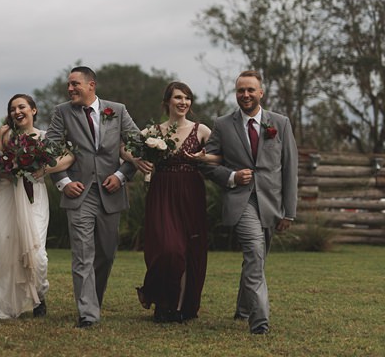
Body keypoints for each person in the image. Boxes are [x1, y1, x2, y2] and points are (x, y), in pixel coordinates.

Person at [200, 70, 298, 334]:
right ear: (236, 93)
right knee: (254, 253)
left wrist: (289, 212)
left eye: (250, 90)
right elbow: (206, 164)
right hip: (240, 201)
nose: (245, 95)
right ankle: (260, 322)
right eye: (241, 90)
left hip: (271, 202)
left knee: (257, 259)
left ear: (261, 93)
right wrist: (231, 176)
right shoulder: (222, 124)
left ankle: (243, 309)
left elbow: (289, 169)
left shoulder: (281, 123)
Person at [45, 66, 139, 328]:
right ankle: (88, 312)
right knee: (83, 253)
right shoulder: (61, 112)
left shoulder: (117, 110)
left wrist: (121, 175)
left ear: (91, 85)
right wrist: (63, 182)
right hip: (79, 192)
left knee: (106, 254)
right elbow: (49, 152)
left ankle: (92, 300)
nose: (70, 89)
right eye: (69, 85)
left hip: (110, 190)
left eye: (75, 84)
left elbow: (137, 147)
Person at [124, 82, 211, 323]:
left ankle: (178, 308)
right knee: (167, 249)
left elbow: (220, 155)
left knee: (188, 251)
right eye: (178, 98)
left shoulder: (201, 130)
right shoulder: (153, 132)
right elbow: (124, 147)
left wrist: (206, 157)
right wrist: (137, 162)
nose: (183, 102)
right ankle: (159, 296)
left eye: (187, 98)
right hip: (162, 194)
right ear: (167, 102)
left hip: (191, 193)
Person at [0, 94, 74, 319]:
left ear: (33, 110)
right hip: (5, 194)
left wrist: (44, 170)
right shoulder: (4, 133)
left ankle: (40, 294)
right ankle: (11, 303)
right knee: (4, 250)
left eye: (22, 106)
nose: (17, 111)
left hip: (33, 193)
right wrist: (1, 164)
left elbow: (70, 156)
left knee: (37, 253)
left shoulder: (44, 137)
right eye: (13, 108)